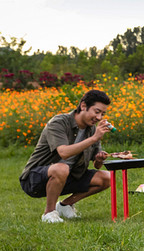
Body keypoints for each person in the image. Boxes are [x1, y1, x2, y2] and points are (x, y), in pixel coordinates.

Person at [19, 89, 114, 223]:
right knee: (62, 168)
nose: (99, 118)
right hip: (36, 179)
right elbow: (63, 153)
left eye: (103, 114)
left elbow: (96, 164)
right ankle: (49, 213)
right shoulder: (59, 122)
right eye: (97, 112)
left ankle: (65, 205)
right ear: (83, 106)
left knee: (107, 178)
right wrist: (94, 138)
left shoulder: (91, 129)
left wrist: (99, 159)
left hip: (69, 176)